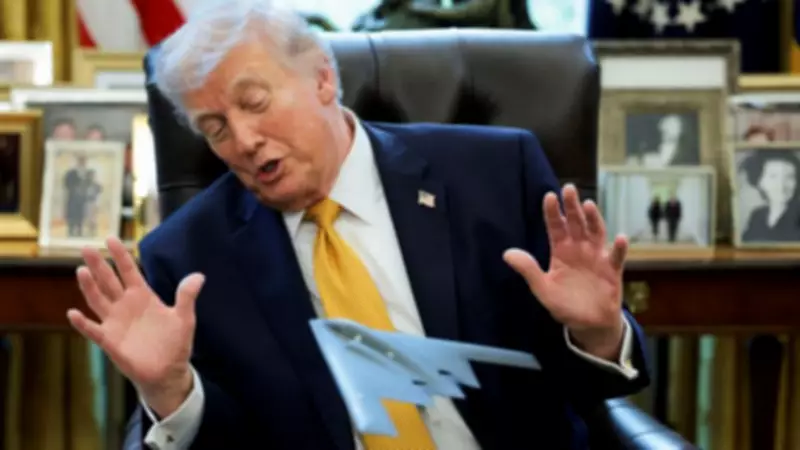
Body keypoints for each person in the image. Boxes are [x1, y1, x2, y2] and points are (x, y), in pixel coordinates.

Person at [67, 2, 649, 449]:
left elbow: (589, 389)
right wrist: (171, 391)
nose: (242, 141)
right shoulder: (188, 255)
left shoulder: (494, 175)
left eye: (255, 103)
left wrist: (597, 333)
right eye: (215, 128)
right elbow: (228, 439)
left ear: (322, 79)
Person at [741, 150, 800, 242]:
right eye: (773, 176)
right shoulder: (757, 216)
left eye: (790, 177)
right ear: (760, 182)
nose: (781, 185)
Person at [63, 154, 89, 237]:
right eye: (81, 161)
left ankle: (79, 232)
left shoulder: (87, 173)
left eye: (84, 161)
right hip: (73, 198)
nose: (83, 163)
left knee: (80, 216)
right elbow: (67, 183)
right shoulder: (71, 173)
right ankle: (70, 231)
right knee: (72, 215)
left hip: (82, 199)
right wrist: (74, 189)